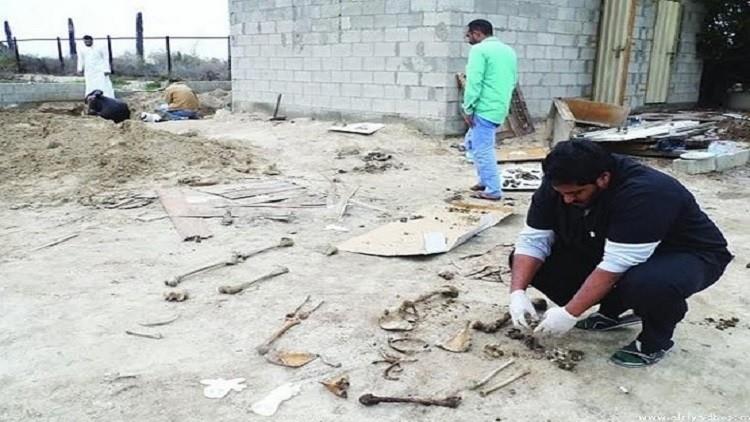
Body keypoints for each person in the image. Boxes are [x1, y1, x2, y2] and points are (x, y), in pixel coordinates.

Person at [508, 140, 732, 367]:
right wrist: (517, 293)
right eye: (562, 193)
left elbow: (616, 264)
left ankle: (655, 341)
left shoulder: (646, 192)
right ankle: (612, 311)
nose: (567, 199)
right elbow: (533, 241)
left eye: (576, 193)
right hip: (620, 245)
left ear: (603, 178)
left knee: (648, 283)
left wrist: (569, 313)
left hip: (689, 255)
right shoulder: (559, 182)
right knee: (529, 262)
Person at [462, 19, 517, 201]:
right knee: (471, 142)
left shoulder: (479, 50)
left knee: (483, 149)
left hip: (483, 108)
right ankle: (484, 180)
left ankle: (493, 190)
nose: (467, 39)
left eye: (469, 35)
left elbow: (474, 81)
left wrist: (468, 108)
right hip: (498, 106)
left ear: (477, 33)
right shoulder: (508, 51)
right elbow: (513, 80)